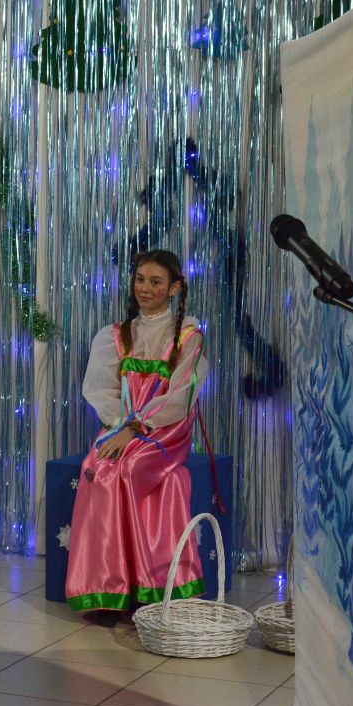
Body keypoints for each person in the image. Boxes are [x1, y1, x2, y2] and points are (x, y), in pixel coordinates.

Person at [65, 249, 208, 626]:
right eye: (140, 280)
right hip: (124, 425)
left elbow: (179, 397)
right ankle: (108, 588)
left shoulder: (188, 335)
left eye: (156, 282)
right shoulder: (117, 335)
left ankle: (150, 586)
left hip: (165, 430)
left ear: (174, 288)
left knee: (129, 468)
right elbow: (101, 390)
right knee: (98, 467)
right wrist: (120, 426)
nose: (145, 288)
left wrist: (136, 428)